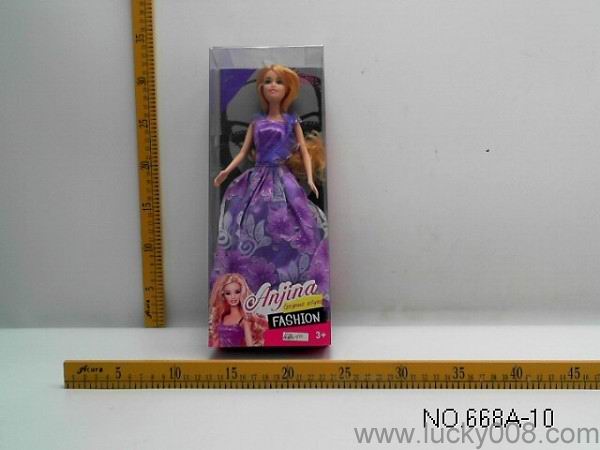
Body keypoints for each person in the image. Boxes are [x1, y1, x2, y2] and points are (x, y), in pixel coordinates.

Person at [210, 64, 330, 315]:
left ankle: (294, 288)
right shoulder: (256, 121)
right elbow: (244, 152)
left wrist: (310, 179)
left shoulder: (291, 121)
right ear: (261, 88)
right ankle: (249, 287)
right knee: (248, 224)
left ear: (288, 89)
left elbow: (304, 152)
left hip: (283, 180)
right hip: (257, 179)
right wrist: (225, 172)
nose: (272, 85)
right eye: (267, 81)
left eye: (278, 81)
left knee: (297, 226)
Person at [209, 273, 265, 347]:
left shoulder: (244, 320)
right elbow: (215, 343)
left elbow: (249, 345)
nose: (233, 297)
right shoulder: (222, 318)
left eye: (237, 292)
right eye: (228, 293)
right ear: (223, 295)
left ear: (242, 293)